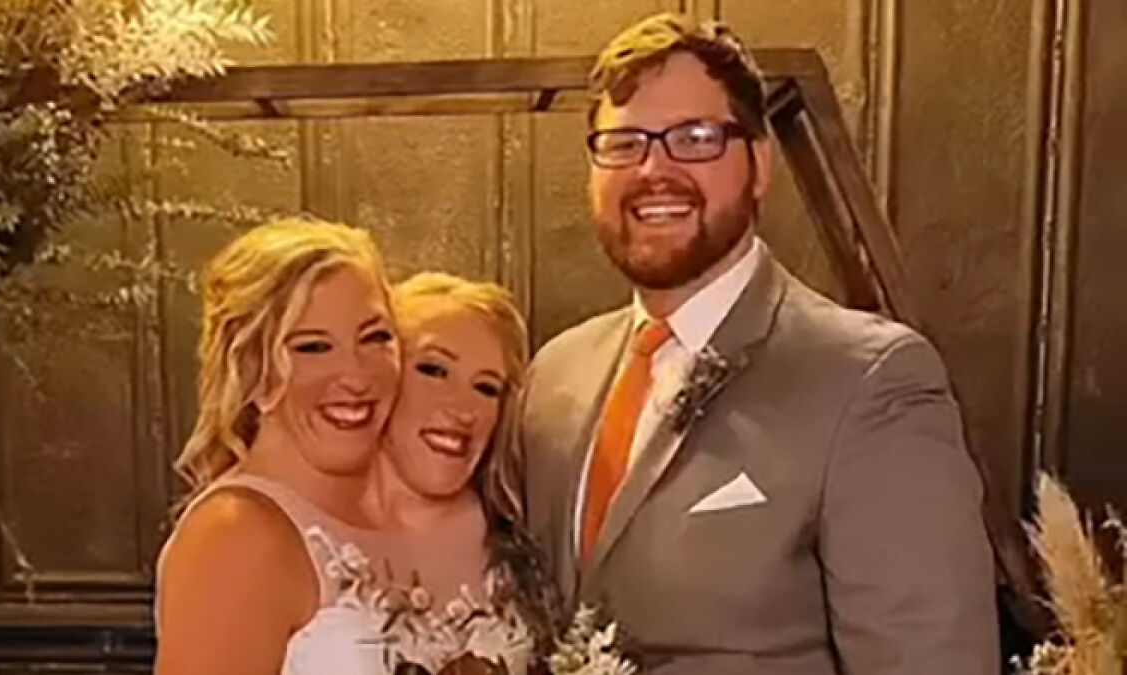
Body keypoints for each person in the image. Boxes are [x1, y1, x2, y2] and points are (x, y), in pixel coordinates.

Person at [518, 12, 998, 675]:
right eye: (624, 142)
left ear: (759, 162)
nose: (654, 169)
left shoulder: (870, 381)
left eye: (694, 137)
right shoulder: (553, 375)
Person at [153, 218, 402, 675]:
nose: (356, 376)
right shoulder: (235, 537)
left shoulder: (419, 517)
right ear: (253, 368)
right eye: (312, 347)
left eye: (375, 338)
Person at [365, 271, 557, 673]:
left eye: (486, 388)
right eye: (434, 371)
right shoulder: (294, 532)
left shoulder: (522, 546)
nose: (463, 410)